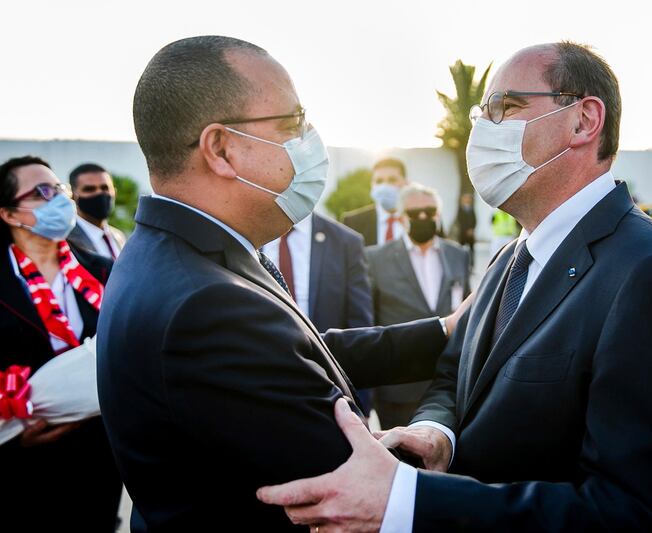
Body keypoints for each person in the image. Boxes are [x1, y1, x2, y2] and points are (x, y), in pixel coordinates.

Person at [257, 42, 652, 532]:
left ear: (584, 121)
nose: (482, 128)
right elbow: (455, 372)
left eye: (506, 107)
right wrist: (437, 433)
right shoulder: (512, 258)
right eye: (483, 112)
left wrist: (411, 501)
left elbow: (635, 515)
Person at [96, 36, 462, 532]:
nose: (309, 139)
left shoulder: (183, 251)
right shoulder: (208, 304)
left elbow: (296, 354)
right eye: (293, 123)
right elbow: (351, 493)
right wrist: (439, 436)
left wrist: (445, 332)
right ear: (221, 149)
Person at [0, 155, 122, 532]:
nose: (59, 199)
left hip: (99, 453)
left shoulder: (105, 270)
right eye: (42, 192)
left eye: (60, 189)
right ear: (9, 214)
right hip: (22, 459)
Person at [368, 183, 470, 428]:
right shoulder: (375, 258)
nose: (423, 217)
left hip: (449, 385)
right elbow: (368, 321)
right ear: (402, 218)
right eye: (414, 213)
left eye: (430, 210)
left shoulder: (458, 254)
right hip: (398, 388)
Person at [261, 212, 376, 411]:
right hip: (264, 383)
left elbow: (360, 325)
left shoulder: (345, 242)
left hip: (329, 392)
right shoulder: (249, 233)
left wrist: (361, 404)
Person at [341, 158, 408, 246]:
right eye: (379, 181)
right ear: (372, 184)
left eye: (392, 180)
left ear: (405, 183)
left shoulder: (417, 219)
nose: (385, 186)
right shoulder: (352, 223)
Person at [67, 162, 126, 258]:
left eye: (105, 188)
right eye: (89, 189)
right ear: (73, 196)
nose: (99, 193)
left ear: (114, 192)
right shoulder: (66, 240)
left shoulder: (118, 236)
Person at [455, 192, 477, 266]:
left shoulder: (471, 209)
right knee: (461, 249)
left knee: (471, 250)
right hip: (462, 233)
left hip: (471, 234)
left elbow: (474, 220)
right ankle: (461, 264)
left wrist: (471, 229)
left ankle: (471, 265)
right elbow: (459, 221)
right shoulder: (460, 209)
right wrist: (466, 230)